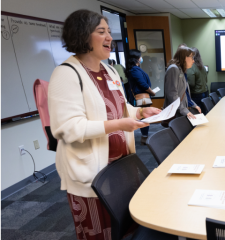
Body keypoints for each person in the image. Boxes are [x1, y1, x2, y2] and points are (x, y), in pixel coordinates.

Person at [48, 9, 161, 240]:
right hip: (92, 173)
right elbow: (69, 128)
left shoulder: (110, 71)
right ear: (82, 36)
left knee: (125, 228)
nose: (110, 37)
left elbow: (117, 107)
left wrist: (139, 111)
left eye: (109, 31)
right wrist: (119, 124)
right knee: (99, 232)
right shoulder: (66, 74)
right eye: (102, 32)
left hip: (121, 168)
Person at [126, 49, 157, 144]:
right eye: (140, 56)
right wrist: (152, 92)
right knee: (144, 116)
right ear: (136, 58)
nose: (141, 58)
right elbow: (143, 84)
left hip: (142, 95)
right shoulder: (135, 70)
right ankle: (144, 137)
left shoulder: (135, 69)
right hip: (141, 97)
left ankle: (145, 136)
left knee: (144, 116)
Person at [164, 46, 201, 119]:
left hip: (181, 110)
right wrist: (184, 110)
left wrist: (193, 104)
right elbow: (172, 94)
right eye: (191, 57)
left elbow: (185, 92)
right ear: (184, 57)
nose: (193, 61)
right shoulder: (173, 69)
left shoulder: (182, 70)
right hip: (176, 111)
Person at [187, 47, 208, 113]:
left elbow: (191, 84)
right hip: (205, 92)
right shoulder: (202, 66)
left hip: (196, 94)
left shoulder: (191, 66)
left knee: (197, 115)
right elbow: (206, 80)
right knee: (204, 113)